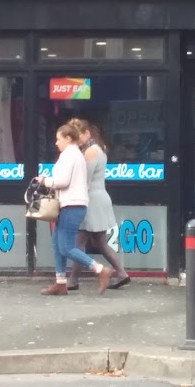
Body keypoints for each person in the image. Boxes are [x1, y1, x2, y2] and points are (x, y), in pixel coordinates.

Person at [36, 122, 112, 296]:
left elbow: (62, 181)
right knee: (57, 243)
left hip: (72, 205)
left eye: (58, 139)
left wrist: (44, 181)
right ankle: (60, 282)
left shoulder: (69, 155)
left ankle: (100, 269)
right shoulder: (75, 154)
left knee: (65, 247)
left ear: (68, 138)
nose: (56, 143)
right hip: (72, 204)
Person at [66, 119, 130, 291]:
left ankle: (73, 280)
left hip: (90, 202)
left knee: (79, 243)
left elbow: (83, 181)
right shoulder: (99, 148)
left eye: (78, 136)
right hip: (99, 198)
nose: (76, 140)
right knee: (100, 242)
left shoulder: (90, 152)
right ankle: (121, 273)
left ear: (87, 133)